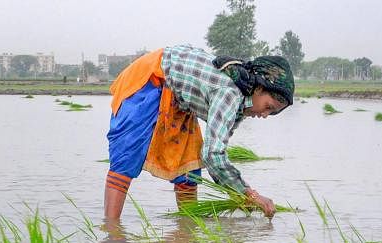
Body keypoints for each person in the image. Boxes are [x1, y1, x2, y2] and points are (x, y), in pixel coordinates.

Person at [103, 45, 293, 220]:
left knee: (189, 170)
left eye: (272, 112)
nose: (265, 115)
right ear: (258, 88)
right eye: (268, 107)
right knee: (127, 155)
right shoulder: (230, 93)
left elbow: (217, 150)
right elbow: (213, 155)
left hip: (180, 100)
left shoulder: (242, 104)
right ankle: (111, 232)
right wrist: (251, 195)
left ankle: (188, 229)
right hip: (153, 78)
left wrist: (239, 195)